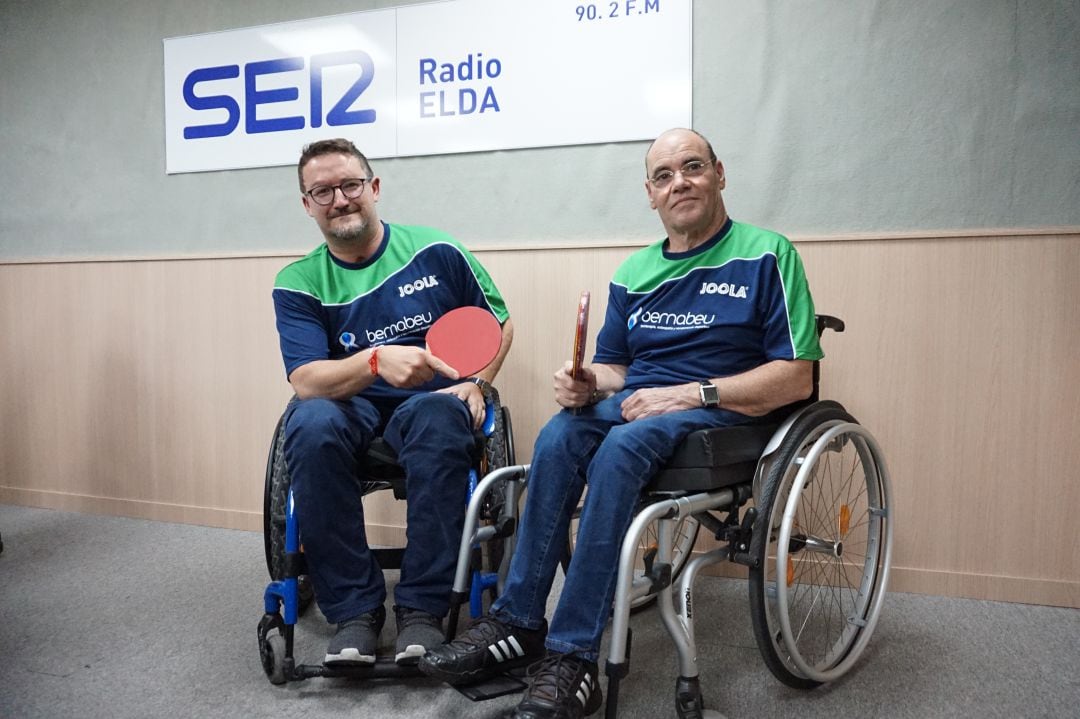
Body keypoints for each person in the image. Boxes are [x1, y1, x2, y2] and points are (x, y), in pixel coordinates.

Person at [419, 128, 822, 717]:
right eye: (664, 175)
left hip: (724, 412)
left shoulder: (768, 253)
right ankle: (518, 620)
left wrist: (690, 393)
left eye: (692, 167)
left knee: (621, 448)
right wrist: (585, 382)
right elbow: (615, 369)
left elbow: (796, 377)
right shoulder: (635, 272)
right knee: (560, 431)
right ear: (650, 194)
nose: (679, 182)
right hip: (642, 405)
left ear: (719, 174)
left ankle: (573, 655)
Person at [272, 138, 513, 667]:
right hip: (347, 404)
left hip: (427, 401)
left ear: (374, 188)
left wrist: (478, 382)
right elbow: (308, 379)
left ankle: (422, 611)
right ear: (308, 204)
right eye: (323, 191)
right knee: (308, 424)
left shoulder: (437, 251)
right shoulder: (298, 281)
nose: (340, 199)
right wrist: (377, 361)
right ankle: (354, 612)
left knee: (441, 415)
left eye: (351, 185)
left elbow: (497, 323)